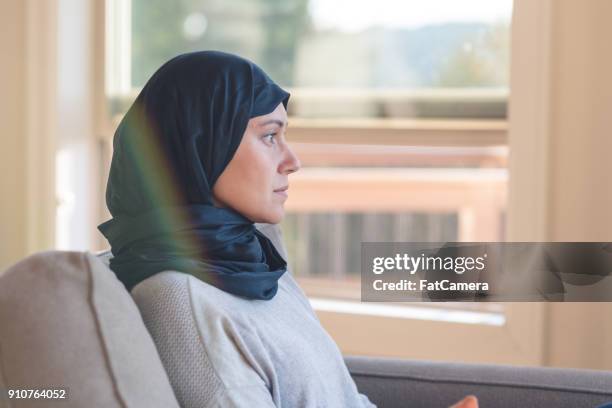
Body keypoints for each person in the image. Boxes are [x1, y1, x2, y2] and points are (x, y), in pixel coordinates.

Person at [98, 50, 479, 408]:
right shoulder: (180, 299)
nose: (292, 161)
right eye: (269, 136)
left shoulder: (251, 258)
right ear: (202, 143)